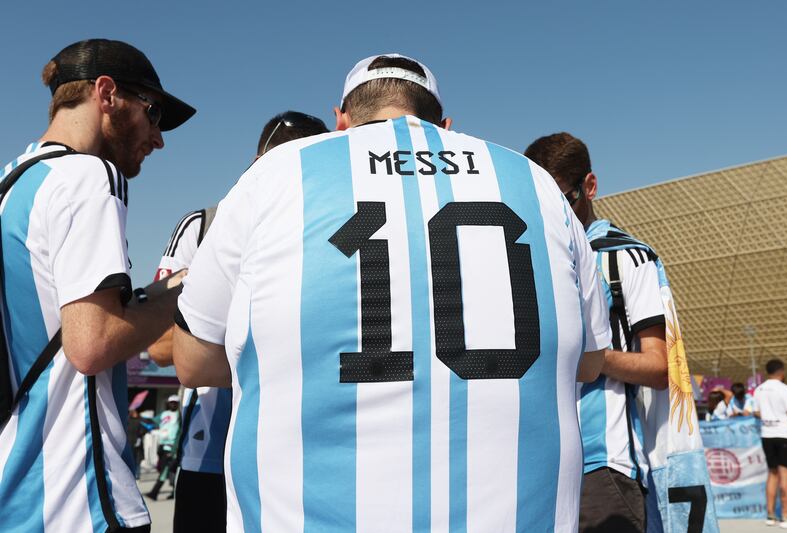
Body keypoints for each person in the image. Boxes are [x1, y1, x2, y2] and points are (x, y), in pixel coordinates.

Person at [171, 53, 610, 532]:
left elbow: (193, 361)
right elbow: (588, 363)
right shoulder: (536, 183)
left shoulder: (277, 173)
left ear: (341, 119)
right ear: (445, 124)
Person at [0, 39, 194, 532]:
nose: (158, 138)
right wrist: (187, 287)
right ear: (106, 94)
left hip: (16, 492)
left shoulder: (12, 185)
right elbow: (92, 343)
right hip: (79, 499)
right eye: (152, 115)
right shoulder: (89, 176)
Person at [146, 111, 329, 532]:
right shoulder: (205, 225)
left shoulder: (327, 227)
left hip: (300, 457)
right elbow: (160, 349)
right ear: (256, 163)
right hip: (211, 454)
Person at [526, 133, 669, 532]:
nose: (554, 215)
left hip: (602, 466)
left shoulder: (627, 256)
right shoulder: (526, 256)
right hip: (534, 464)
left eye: (563, 200)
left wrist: (586, 353)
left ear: (589, 186)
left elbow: (659, 367)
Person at [753, 359, 787, 528]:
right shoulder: (785, 389)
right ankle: (786, 516)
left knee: (772, 475)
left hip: (767, 435)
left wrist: (769, 417)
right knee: (786, 477)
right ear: (782, 372)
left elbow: (756, 411)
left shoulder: (759, 389)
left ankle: (771, 515)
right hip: (785, 435)